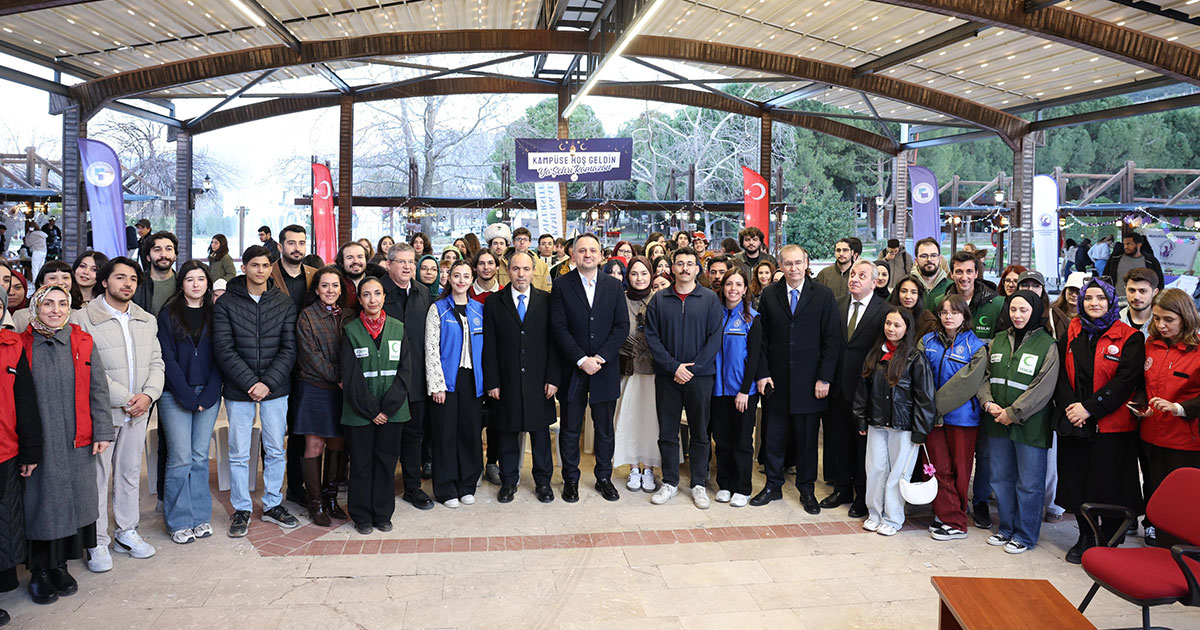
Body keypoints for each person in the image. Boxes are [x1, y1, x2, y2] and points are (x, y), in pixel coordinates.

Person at [69, 257, 164, 572]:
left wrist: (148, 395)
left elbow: (157, 362)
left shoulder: (146, 319)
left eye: (133, 279)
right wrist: (126, 397)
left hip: (139, 410)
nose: (128, 284)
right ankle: (96, 541)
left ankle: (126, 529)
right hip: (102, 411)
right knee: (98, 476)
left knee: (129, 470)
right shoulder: (82, 318)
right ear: (105, 281)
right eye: (120, 277)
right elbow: (86, 368)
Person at [22, 285, 110, 606]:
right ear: (36, 306)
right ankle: (39, 572)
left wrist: (102, 431)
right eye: (48, 303)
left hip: (77, 441)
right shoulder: (23, 345)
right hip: (39, 443)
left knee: (72, 504)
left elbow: (98, 390)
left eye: (62, 303)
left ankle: (60, 566)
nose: (55, 310)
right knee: (41, 505)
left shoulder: (82, 341)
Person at [1055, 277, 1144, 563]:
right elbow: (1060, 374)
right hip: (1075, 422)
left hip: (1111, 425)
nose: (1094, 303)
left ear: (1110, 302)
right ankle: (1083, 535)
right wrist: (1072, 408)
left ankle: (1106, 538)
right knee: (1076, 482)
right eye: (1089, 298)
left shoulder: (1129, 337)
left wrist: (1090, 409)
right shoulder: (1072, 330)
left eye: (1100, 299)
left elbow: (1124, 382)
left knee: (1107, 484)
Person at [213, 245, 299, 537]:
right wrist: (250, 382)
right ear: (244, 267)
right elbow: (223, 348)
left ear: (270, 268)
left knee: (276, 449)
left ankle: (273, 503)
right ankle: (242, 508)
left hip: (276, 389)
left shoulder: (284, 303)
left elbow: (290, 349)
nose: (260, 271)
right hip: (240, 390)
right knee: (238, 452)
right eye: (255, 265)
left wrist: (268, 383)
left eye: (265, 265)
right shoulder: (226, 303)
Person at [751, 245, 841, 513]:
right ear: (780, 265)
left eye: (798, 263)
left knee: (807, 443)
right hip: (775, 383)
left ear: (806, 263)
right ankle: (773, 486)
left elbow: (832, 340)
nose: (793, 268)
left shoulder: (823, 295)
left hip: (810, 383)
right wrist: (763, 373)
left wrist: (824, 378)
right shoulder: (769, 294)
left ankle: (806, 489)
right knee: (774, 438)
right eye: (788, 263)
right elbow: (762, 339)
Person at [977, 290, 1059, 554]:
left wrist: (1013, 412)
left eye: (1023, 310)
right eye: (1013, 310)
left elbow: (1043, 388)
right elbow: (984, 376)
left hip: (1030, 426)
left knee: (1029, 484)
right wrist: (988, 403)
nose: (1018, 315)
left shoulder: (1048, 344)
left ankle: (1025, 534)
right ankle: (1006, 528)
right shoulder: (998, 340)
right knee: (1000, 479)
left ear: (1035, 311)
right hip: (996, 422)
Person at [550, 233, 630, 502]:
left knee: (605, 429)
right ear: (573, 255)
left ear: (600, 255)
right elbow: (558, 327)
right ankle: (570, 478)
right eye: (581, 250)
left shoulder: (614, 286)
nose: (587, 255)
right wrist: (581, 359)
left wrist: (600, 358)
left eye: (592, 250)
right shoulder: (561, 285)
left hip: (604, 370)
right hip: (573, 368)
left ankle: (604, 477)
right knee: (571, 428)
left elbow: (621, 327)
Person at [644, 246, 723, 509]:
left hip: (701, 377)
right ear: (672, 268)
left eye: (690, 264)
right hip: (668, 377)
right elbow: (652, 338)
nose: (685, 268)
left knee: (700, 433)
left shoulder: (710, 299)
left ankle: (698, 483)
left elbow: (715, 338)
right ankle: (670, 482)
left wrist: (692, 369)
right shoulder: (659, 299)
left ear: (697, 268)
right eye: (680, 264)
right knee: (667, 431)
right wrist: (674, 367)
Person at [482, 251, 559, 504]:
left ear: (534, 271)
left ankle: (544, 482)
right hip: (507, 380)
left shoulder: (547, 301)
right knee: (507, 432)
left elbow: (554, 343)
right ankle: (508, 481)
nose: (521, 274)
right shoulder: (494, 302)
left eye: (526, 269)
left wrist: (553, 378)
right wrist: (492, 381)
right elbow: (489, 344)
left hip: (539, 380)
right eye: (516, 269)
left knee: (539, 435)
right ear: (508, 271)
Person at [156, 260, 222, 545]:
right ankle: (179, 520)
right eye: (190, 279)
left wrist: (209, 394)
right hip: (174, 393)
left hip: (208, 392)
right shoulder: (168, 314)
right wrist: (184, 394)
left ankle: (199, 517)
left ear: (207, 283)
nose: (196, 284)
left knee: (199, 457)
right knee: (180, 458)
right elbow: (166, 358)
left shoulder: (217, 313)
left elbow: (223, 354)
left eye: (201, 279)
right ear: (181, 283)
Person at [853, 308, 935, 535]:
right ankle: (874, 514)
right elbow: (863, 390)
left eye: (897, 325)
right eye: (888, 323)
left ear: (907, 328)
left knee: (898, 475)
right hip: (877, 423)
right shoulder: (875, 354)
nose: (891, 329)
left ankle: (893, 518)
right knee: (876, 469)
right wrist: (860, 419)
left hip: (904, 426)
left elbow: (925, 397)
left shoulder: (915, 358)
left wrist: (921, 430)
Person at [340, 277, 411, 534]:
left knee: (386, 463)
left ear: (384, 297)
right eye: (367, 295)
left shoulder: (398, 328)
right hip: (360, 414)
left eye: (377, 294)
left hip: (393, 412)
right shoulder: (351, 331)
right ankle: (361, 515)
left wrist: (387, 409)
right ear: (359, 299)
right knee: (361, 464)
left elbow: (405, 371)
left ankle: (382, 513)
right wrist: (372, 410)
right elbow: (351, 376)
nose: (373, 299)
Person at [1131, 288, 1200, 547]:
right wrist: (1140, 405)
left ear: (1185, 318)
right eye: (1157, 318)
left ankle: (1185, 551)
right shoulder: (1151, 344)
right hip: (1151, 434)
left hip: (1185, 440)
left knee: (1183, 499)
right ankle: (1157, 538)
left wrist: (1179, 408)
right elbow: (1142, 385)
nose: (1161, 325)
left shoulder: (1197, 349)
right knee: (1154, 489)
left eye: (1168, 320)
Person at [823, 259, 889, 518]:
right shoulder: (837, 304)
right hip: (838, 385)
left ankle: (863, 496)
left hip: (866, 389)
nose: (855, 279)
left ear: (874, 282)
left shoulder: (884, 310)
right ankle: (842, 489)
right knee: (838, 440)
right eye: (853, 274)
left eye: (862, 275)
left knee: (864, 446)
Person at [920, 294, 989, 541]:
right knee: (937, 467)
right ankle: (948, 515)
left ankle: (956, 518)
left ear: (964, 316)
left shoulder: (976, 347)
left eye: (954, 312)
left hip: (963, 419)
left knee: (961, 470)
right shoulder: (926, 342)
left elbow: (967, 384)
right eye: (944, 312)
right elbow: (919, 377)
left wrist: (935, 407)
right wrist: (929, 410)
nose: (948, 317)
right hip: (932, 418)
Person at [294, 266, 352, 526]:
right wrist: (339, 376)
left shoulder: (350, 316)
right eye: (325, 286)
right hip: (315, 388)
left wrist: (346, 378)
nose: (330, 290)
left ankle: (331, 499)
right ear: (316, 289)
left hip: (342, 391)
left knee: (337, 444)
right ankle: (315, 503)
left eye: (335, 286)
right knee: (314, 445)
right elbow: (311, 356)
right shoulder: (307, 317)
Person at [379, 243, 434, 512]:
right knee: (386, 438)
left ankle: (412, 487)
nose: (407, 267)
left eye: (411, 261)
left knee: (414, 436)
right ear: (389, 264)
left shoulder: (423, 292)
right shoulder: (377, 290)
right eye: (401, 261)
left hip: (416, 378)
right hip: (385, 380)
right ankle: (382, 489)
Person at [425, 260, 484, 508]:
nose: (461, 280)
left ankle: (467, 484)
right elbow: (430, 349)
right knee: (446, 434)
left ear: (472, 279)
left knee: (470, 433)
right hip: (447, 381)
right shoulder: (438, 309)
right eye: (456, 275)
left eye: (466, 276)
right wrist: (436, 384)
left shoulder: (480, 310)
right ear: (448, 278)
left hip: (473, 380)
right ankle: (446, 487)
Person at [268, 225, 316, 506]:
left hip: (307, 364)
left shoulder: (313, 275)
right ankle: (272, 488)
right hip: (275, 360)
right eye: (291, 243)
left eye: (301, 242)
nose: (297, 247)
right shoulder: (268, 273)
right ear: (281, 246)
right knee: (275, 431)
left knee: (300, 428)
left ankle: (296, 487)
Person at [710, 267, 764, 508]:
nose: (733, 289)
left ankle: (742, 487)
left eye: (738, 285)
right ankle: (725, 484)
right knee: (722, 440)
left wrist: (744, 390)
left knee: (742, 441)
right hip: (717, 390)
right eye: (729, 284)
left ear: (745, 290)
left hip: (742, 392)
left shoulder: (752, 318)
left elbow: (754, 359)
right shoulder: (714, 314)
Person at [613, 257, 660, 493]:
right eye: (634, 273)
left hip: (654, 371)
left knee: (652, 420)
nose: (639, 278)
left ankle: (650, 467)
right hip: (627, 370)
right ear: (627, 276)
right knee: (629, 419)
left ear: (651, 275)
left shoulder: (660, 299)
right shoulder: (619, 301)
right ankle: (633, 467)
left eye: (644, 273)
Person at [13, 262, 74, 332]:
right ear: (41, 283)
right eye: (52, 278)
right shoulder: (22, 316)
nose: (60, 282)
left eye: (65, 278)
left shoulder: (77, 314)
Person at [1106, 233, 1166, 300]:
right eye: (1124, 244)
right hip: (1117, 299)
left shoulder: (1150, 261)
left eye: (1129, 244)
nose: (1125, 247)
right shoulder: (1115, 259)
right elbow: (1106, 277)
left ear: (1138, 245)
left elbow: (1159, 281)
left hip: (1142, 301)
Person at [133, 231, 177, 316]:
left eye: (169, 249)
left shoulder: (183, 283)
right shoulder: (137, 284)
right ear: (148, 257)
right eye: (157, 250)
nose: (163, 254)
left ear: (175, 255)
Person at [888, 277, 938, 351]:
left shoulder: (928, 321)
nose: (908, 296)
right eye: (904, 291)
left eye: (913, 292)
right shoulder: (889, 315)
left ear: (919, 295)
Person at [912, 238, 951, 311]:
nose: (929, 259)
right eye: (924, 256)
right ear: (916, 260)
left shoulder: (951, 287)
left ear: (940, 259)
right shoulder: (904, 285)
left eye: (934, 255)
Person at [1120, 267, 1159, 335]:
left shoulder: (1162, 325)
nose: (1136, 297)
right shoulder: (1115, 320)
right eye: (1132, 290)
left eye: (1142, 291)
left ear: (1155, 292)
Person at [511, 227, 551, 291]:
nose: (522, 242)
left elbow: (547, 290)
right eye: (519, 239)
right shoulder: (503, 263)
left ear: (530, 243)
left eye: (525, 239)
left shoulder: (542, 266)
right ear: (513, 242)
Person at [483, 223, 512, 288]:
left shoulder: (511, 263)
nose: (498, 247)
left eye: (501, 243)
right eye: (495, 243)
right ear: (490, 246)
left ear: (506, 246)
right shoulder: (485, 264)